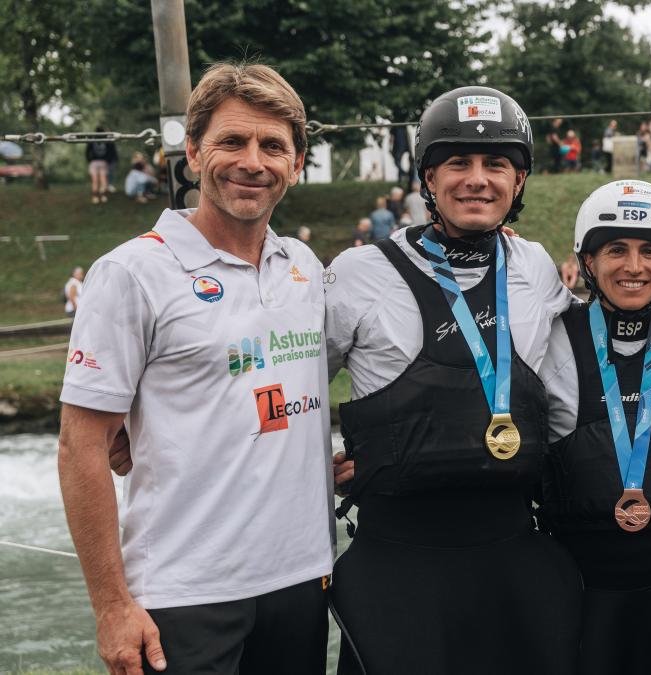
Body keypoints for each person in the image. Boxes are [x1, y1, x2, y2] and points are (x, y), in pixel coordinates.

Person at [59, 62, 332, 675]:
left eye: (273, 145)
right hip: (181, 596)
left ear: (297, 161)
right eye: (231, 141)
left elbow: (294, 391)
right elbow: (81, 446)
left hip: (301, 577)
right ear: (191, 151)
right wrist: (111, 606)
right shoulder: (130, 273)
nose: (252, 161)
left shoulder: (305, 267)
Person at [324, 85, 582, 675]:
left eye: (496, 164)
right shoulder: (360, 273)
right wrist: (320, 460)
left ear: (518, 183)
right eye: (458, 163)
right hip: (398, 563)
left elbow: (602, 341)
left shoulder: (534, 266)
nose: (477, 179)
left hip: (513, 555)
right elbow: (293, 381)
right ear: (428, 178)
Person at [538, 179, 651, 675]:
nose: (634, 267)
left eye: (650, 252)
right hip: (577, 586)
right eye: (616, 249)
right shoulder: (546, 337)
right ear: (588, 262)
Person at [85, 127, 116, 205]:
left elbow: (111, 151)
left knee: (103, 180)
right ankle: (95, 196)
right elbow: (87, 151)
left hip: (103, 162)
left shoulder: (107, 141)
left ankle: (102, 195)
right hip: (94, 162)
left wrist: (108, 161)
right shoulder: (92, 141)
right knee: (96, 180)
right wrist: (90, 160)